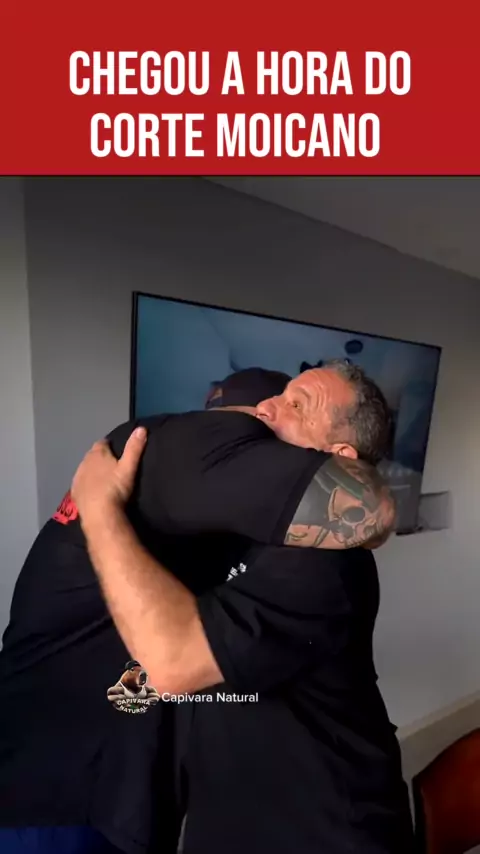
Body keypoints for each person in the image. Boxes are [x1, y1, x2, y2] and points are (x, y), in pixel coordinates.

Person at [0, 363, 394, 854]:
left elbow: (174, 662)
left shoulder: (323, 565)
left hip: (324, 830)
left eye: (297, 405)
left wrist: (99, 510)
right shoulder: (237, 535)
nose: (266, 408)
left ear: (340, 460)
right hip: (235, 818)